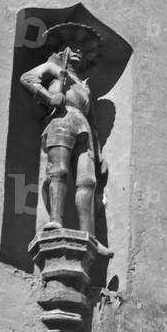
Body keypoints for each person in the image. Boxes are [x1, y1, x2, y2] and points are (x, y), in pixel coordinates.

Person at [20, 22, 107, 242]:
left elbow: (94, 123)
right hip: (61, 119)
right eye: (73, 48)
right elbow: (27, 78)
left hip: (82, 125)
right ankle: (56, 220)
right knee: (58, 170)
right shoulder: (53, 68)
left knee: (88, 180)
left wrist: (100, 153)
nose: (78, 52)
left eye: (81, 50)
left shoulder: (84, 85)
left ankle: (90, 237)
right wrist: (49, 98)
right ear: (63, 50)